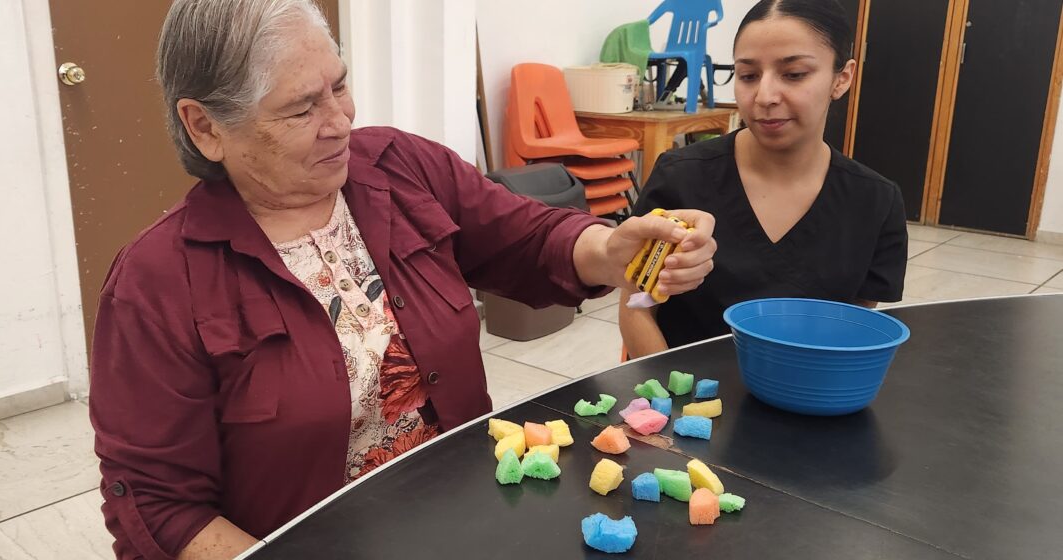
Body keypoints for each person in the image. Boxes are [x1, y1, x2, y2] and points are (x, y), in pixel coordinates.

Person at [88, 1, 717, 559]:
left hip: (468, 512)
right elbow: (157, 506)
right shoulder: (157, 282)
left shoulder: (400, 166)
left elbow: (526, 238)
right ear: (205, 127)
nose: (339, 120)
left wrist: (612, 247)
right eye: (302, 107)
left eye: (339, 87)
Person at [620, 0, 907, 358]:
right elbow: (636, 306)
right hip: (687, 398)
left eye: (794, 74)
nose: (765, 97)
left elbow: (855, 326)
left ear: (841, 78)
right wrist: (670, 402)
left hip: (806, 396)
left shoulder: (875, 202)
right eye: (748, 76)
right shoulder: (680, 177)